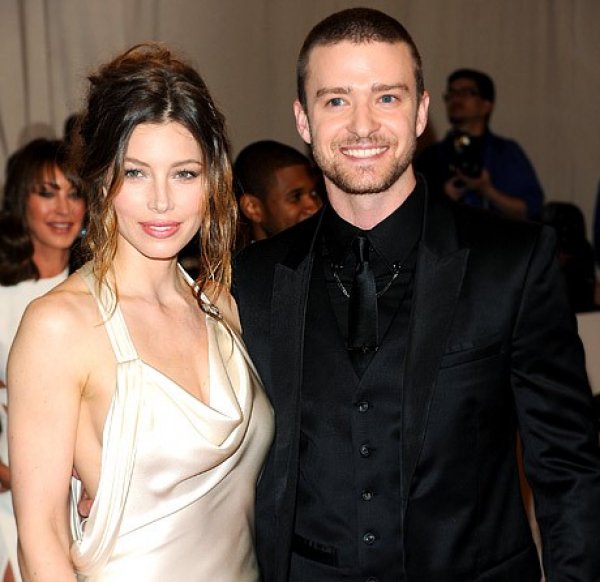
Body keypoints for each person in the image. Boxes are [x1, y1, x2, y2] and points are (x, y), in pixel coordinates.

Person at [233, 8, 600, 581]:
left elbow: (568, 467)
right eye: (336, 100)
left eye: (386, 97)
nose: (362, 126)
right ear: (303, 118)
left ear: (422, 111)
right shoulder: (252, 278)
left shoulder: (513, 261)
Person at [8, 43, 273, 581]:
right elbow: (42, 539)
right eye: (135, 173)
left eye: (184, 174)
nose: (161, 201)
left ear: (212, 179)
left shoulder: (224, 307)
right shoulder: (60, 326)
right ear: (101, 177)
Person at [0, 137, 86, 582]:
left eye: (75, 193)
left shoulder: (101, 292)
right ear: (21, 201)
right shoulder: (4, 302)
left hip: (93, 502)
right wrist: (12, 477)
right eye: (47, 193)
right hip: (13, 498)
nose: (64, 208)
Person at [416, 68, 544, 220]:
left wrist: (487, 190)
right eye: (452, 93)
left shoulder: (504, 152)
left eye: (466, 92)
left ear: (486, 105)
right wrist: (444, 197)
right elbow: (413, 211)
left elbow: (530, 211)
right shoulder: (431, 155)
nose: (456, 99)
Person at [233, 139, 322, 247]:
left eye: (314, 194)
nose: (314, 207)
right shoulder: (238, 258)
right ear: (252, 207)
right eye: (295, 197)